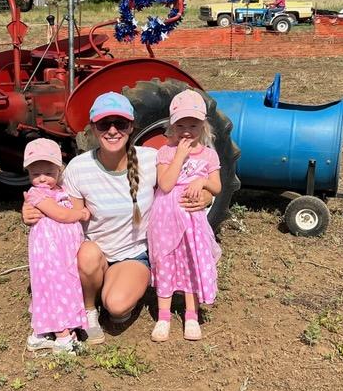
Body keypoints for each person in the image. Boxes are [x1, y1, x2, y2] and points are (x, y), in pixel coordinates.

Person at [21, 91, 214, 343]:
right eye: (104, 124)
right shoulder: (79, 167)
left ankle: (112, 290)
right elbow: (61, 205)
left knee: (117, 306)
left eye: (120, 123)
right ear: (93, 128)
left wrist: (206, 196)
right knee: (88, 254)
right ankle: (89, 309)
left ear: (131, 127)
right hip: (95, 254)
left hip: (133, 254)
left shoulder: (150, 159)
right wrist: (31, 208)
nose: (112, 131)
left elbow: (185, 180)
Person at [147, 90, 222, 343]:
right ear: (171, 126)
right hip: (165, 220)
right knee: (165, 262)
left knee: (191, 261)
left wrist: (202, 182)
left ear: (203, 126)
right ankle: (163, 317)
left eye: (193, 125)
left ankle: (191, 315)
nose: (186, 131)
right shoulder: (165, 152)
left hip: (192, 221)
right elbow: (165, 184)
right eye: (180, 125)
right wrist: (179, 156)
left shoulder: (209, 155)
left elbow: (217, 186)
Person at [23, 138, 90, 352]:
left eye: (48, 172)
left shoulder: (60, 189)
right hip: (50, 253)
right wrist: (81, 214)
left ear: (59, 170)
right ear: (28, 173)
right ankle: (63, 337)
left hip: (62, 251)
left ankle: (39, 334)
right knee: (57, 288)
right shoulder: (37, 194)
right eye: (35, 173)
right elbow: (60, 214)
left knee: (56, 287)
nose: (42, 178)